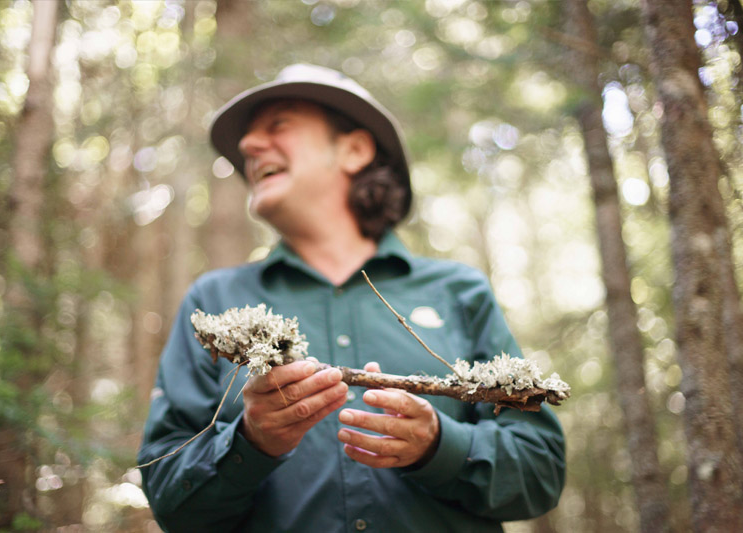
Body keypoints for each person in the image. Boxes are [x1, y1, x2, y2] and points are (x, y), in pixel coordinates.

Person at [138, 64, 566, 532]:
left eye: (278, 124)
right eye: (248, 139)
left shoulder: (458, 291)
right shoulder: (215, 301)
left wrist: (440, 446)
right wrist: (249, 443)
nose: (247, 146)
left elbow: (540, 474)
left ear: (356, 149)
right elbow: (168, 498)